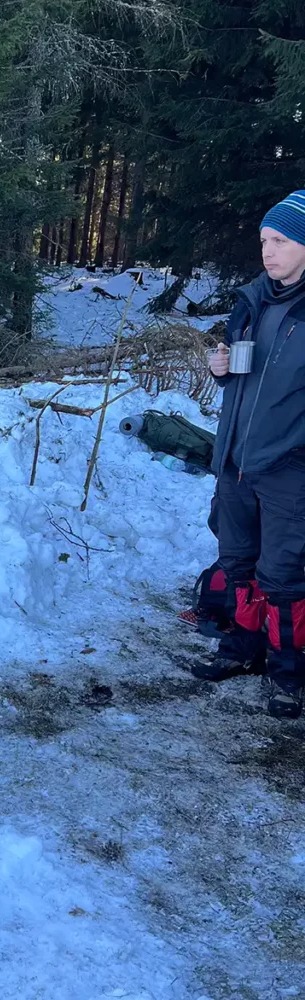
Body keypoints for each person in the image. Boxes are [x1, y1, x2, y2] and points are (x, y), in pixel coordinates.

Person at [192, 189, 305, 718]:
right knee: (237, 562)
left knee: (283, 575)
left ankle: (288, 673)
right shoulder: (252, 299)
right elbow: (245, 378)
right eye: (264, 240)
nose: (268, 251)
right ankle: (242, 650)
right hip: (235, 462)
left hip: (289, 467)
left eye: (281, 240)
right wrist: (219, 371)